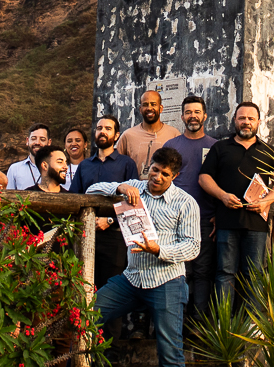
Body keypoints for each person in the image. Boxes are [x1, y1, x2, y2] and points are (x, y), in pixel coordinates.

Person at [86, 147, 200, 367]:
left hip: (166, 281)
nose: (157, 177)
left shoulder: (185, 203)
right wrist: (120, 187)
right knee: (86, 314)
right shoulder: (134, 188)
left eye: (165, 174)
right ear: (149, 167)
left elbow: (193, 247)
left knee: (170, 354)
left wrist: (159, 250)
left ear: (175, 176)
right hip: (132, 278)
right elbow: (91, 190)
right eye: (155, 170)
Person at [199, 101, 274, 303]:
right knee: (224, 272)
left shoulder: (268, 150)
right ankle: (223, 320)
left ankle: (252, 320)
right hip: (226, 222)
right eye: (242, 118)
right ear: (235, 120)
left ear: (258, 122)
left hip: (257, 224)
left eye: (250, 118)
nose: (246, 122)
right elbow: (204, 178)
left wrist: (266, 202)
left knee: (254, 274)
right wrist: (222, 196)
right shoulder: (220, 147)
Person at [162, 95, 218, 322]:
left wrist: (218, 215)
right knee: (177, 272)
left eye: (197, 112)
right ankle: (176, 321)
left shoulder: (215, 147)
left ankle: (199, 324)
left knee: (203, 271)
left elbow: (221, 183)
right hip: (174, 219)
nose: (192, 116)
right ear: (182, 116)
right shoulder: (171, 146)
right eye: (188, 112)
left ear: (205, 116)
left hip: (205, 219)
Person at [71, 116, 140, 287]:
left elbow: (133, 202)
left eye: (108, 129)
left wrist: (110, 220)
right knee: (84, 285)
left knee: (112, 287)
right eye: (99, 128)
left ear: (116, 135)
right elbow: (74, 198)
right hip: (86, 234)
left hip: (115, 237)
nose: (102, 132)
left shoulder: (127, 164)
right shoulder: (84, 165)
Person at [118, 89, 181, 178]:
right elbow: (117, 166)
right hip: (134, 186)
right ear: (140, 109)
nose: (149, 108)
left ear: (161, 108)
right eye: (145, 105)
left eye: (153, 104)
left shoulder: (174, 134)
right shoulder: (128, 136)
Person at [5, 123, 50, 190]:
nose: (37, 142)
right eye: (33, 139)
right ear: (27, 141)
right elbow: (8, 195)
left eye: (42, 139)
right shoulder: (14, 169)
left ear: (49, 142)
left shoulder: (57, 169)